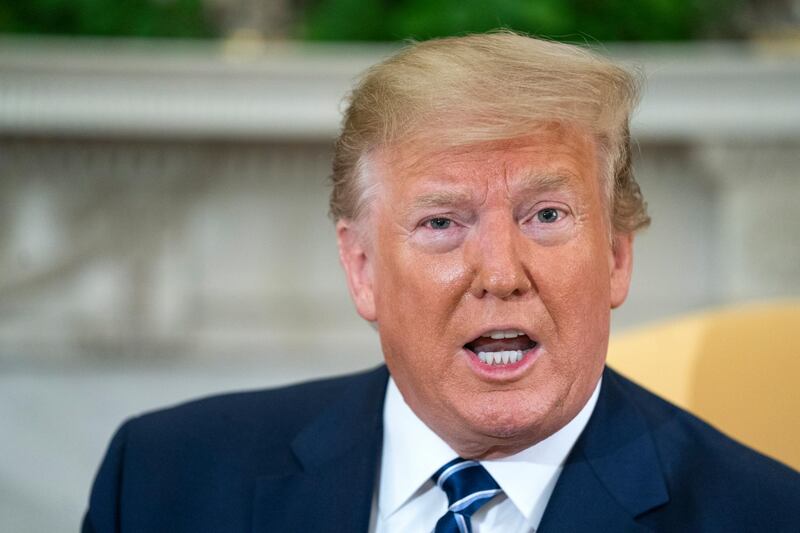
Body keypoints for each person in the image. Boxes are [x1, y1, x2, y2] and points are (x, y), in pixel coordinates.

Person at [83, 31, 800, 533]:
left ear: (616, 255)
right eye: (441, 223)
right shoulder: (162, 481)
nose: (500, 273)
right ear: (361, 268)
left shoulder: (766, 516)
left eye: (546, 214)